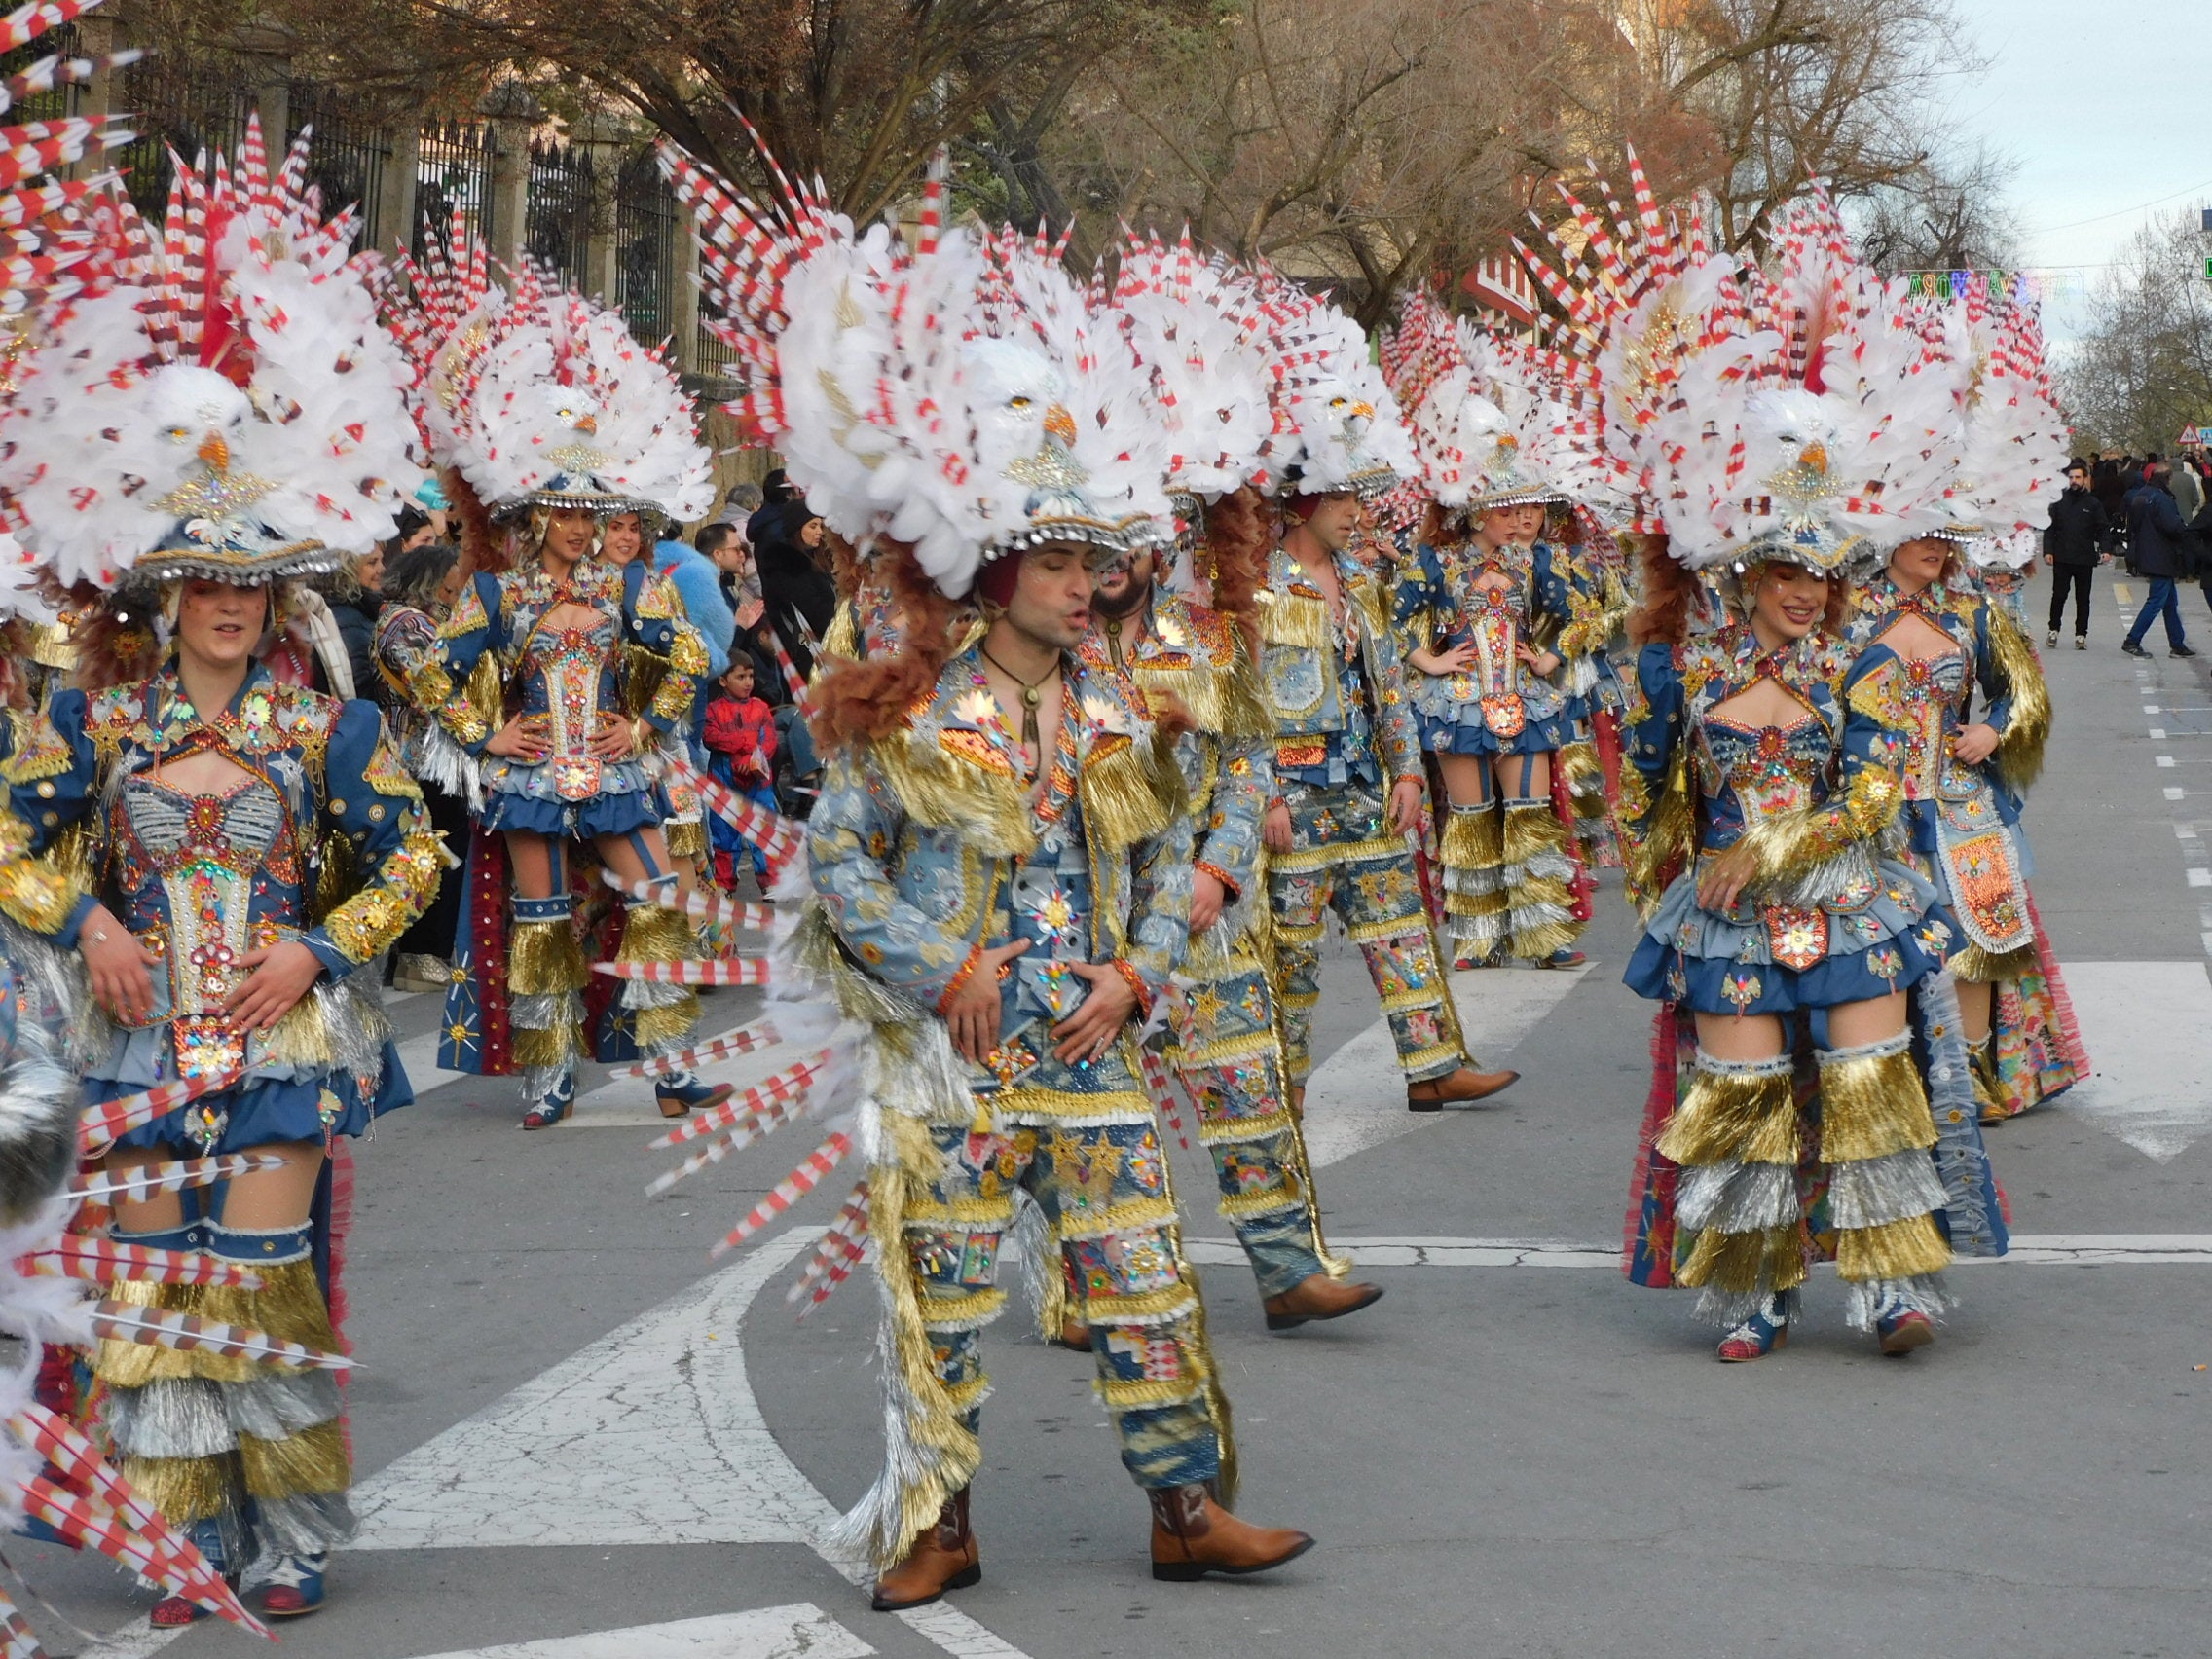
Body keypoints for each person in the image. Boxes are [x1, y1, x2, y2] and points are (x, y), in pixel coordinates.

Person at [664, 142, 1314, 1611]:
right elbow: (838, 868)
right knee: (939, 1300)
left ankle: (1187, 1506)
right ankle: (940, 1520)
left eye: (1095, 559)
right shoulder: (908, 702)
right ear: (989, 566)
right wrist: (941, 969)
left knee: (1144, 1275)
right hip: (952, 1062)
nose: (1090, 583)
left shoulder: (1112, 704)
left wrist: (1140, 969)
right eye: (1059, 560)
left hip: (1088, 1042)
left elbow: (1185, 829)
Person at [0, 125, 438, 1619]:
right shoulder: (93, 719)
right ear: (164, 592)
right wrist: (93, 920)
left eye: (253, 583)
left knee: (253, 1281)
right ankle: (184, 1537)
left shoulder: (332, 726)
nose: (231, 606)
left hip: (279, 1034)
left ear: (280, 592)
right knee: (153, 1295)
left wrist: (320, 949)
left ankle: (291, 1536)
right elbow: (10, 843)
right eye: (206, 581)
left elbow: (414, 859)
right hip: (129, 1039)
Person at [1524, 172, 2006, 1362]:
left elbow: (1881, 788)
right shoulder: (1679, 666)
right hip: (1731, 921)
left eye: (1822, 571)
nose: (1802, 589)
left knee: (1867, 1089)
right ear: (1737, 565)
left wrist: (1766, 846)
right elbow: (1645, 791)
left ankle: (1892, 1286)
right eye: (1781, 568)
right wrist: (1648, 864)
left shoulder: (1868, 659)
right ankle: (1751, 1287)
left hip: (1847, 898)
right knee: (1739, 1105)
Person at [384, 226, 724, 1128]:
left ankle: (674, 1067)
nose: (581, 527)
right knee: (538, 923)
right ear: (532, 514)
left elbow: (689, 653)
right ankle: (549, 1076)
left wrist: (645, 727)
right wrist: (479, 732)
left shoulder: (630, 584)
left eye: (594, 511)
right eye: (566, 512)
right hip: (529, 773)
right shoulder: (497, 593)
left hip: (613, 769)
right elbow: (412, 648)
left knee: (653, 903)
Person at [1246, 276, 1518, 1112]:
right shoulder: (1255, 586)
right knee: (1287, 953)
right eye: (1345, 498)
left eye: (1363, 497)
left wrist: (1406, 771)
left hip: (1365, 787)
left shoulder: (1363, 579)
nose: (1359, 512)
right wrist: (1263, 794)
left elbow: (1389, 683)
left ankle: (1433, 1068)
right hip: (1293, 795)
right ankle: (1280, 1082)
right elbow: (1239, 703)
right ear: (1304, 502)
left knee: (1402, 927)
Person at [1382, 289, 1600, 971]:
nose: (1521, 522)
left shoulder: (1542, 563)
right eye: (1507, 512)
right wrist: (1428, 660)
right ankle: (1477, 938)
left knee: (1530, 817)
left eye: (1529, 510)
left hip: (1523, 700)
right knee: (1471, 823)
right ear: (1475, 514)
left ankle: (1546, 935)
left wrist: (1550, 657)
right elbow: (1388, 621)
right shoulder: (1436, 562)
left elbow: (1587, 616)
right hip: (1460, 704)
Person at [374, 540, 472, 991]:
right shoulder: (408, 625)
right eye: (449, 586)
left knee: (440, 847)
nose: (455, 592)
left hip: (426, 751)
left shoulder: (405, 620)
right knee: (440, 849)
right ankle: (423, 953)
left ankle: (423, 952)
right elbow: (434, 684)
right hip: (424, 754)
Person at [701, 655, 776, 891]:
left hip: (758, 782)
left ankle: (769, 882)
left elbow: (770, 741)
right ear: (723, 680)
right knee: (724, 833)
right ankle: (724, 883)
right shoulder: (713, 710)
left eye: (750, 676)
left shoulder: (761, 708)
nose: (748, 682)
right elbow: (710, 737)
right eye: (740, 676)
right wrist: (744, 743)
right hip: (723, 781)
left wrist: (752, 757)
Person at [2120, 462, 2198, 658]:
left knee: (2170, 601)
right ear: (2167, 478)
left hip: (2147, 553)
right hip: (2161, 555)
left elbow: (2135, 527)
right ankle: (2133, 640)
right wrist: (2186, 531)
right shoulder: (2162, 499)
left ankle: (2177, 643)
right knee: (2156, 601)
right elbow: (2172, 527)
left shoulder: (2141, 495)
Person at [758, 498, 837, 681]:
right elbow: (815, 611)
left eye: (820, 525)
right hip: (806, 652)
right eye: (813, 526)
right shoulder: (788, 566)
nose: (819, 531)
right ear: (797, 528)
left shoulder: (813, 560)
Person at [2045, 458, 2110, 647]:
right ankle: (2053, 629)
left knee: (2083, 599)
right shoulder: (2059, 501)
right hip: (2062, 557)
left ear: (2085, 479)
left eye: (2078, 477)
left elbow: (2103, 528)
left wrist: (2105, 549)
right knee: (2059, 595)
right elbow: (2050, 528)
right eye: (2071, 477)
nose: (2074, 480)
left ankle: (2081, 634)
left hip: (2084, 558)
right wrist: (2048, 551)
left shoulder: (2093, 503)